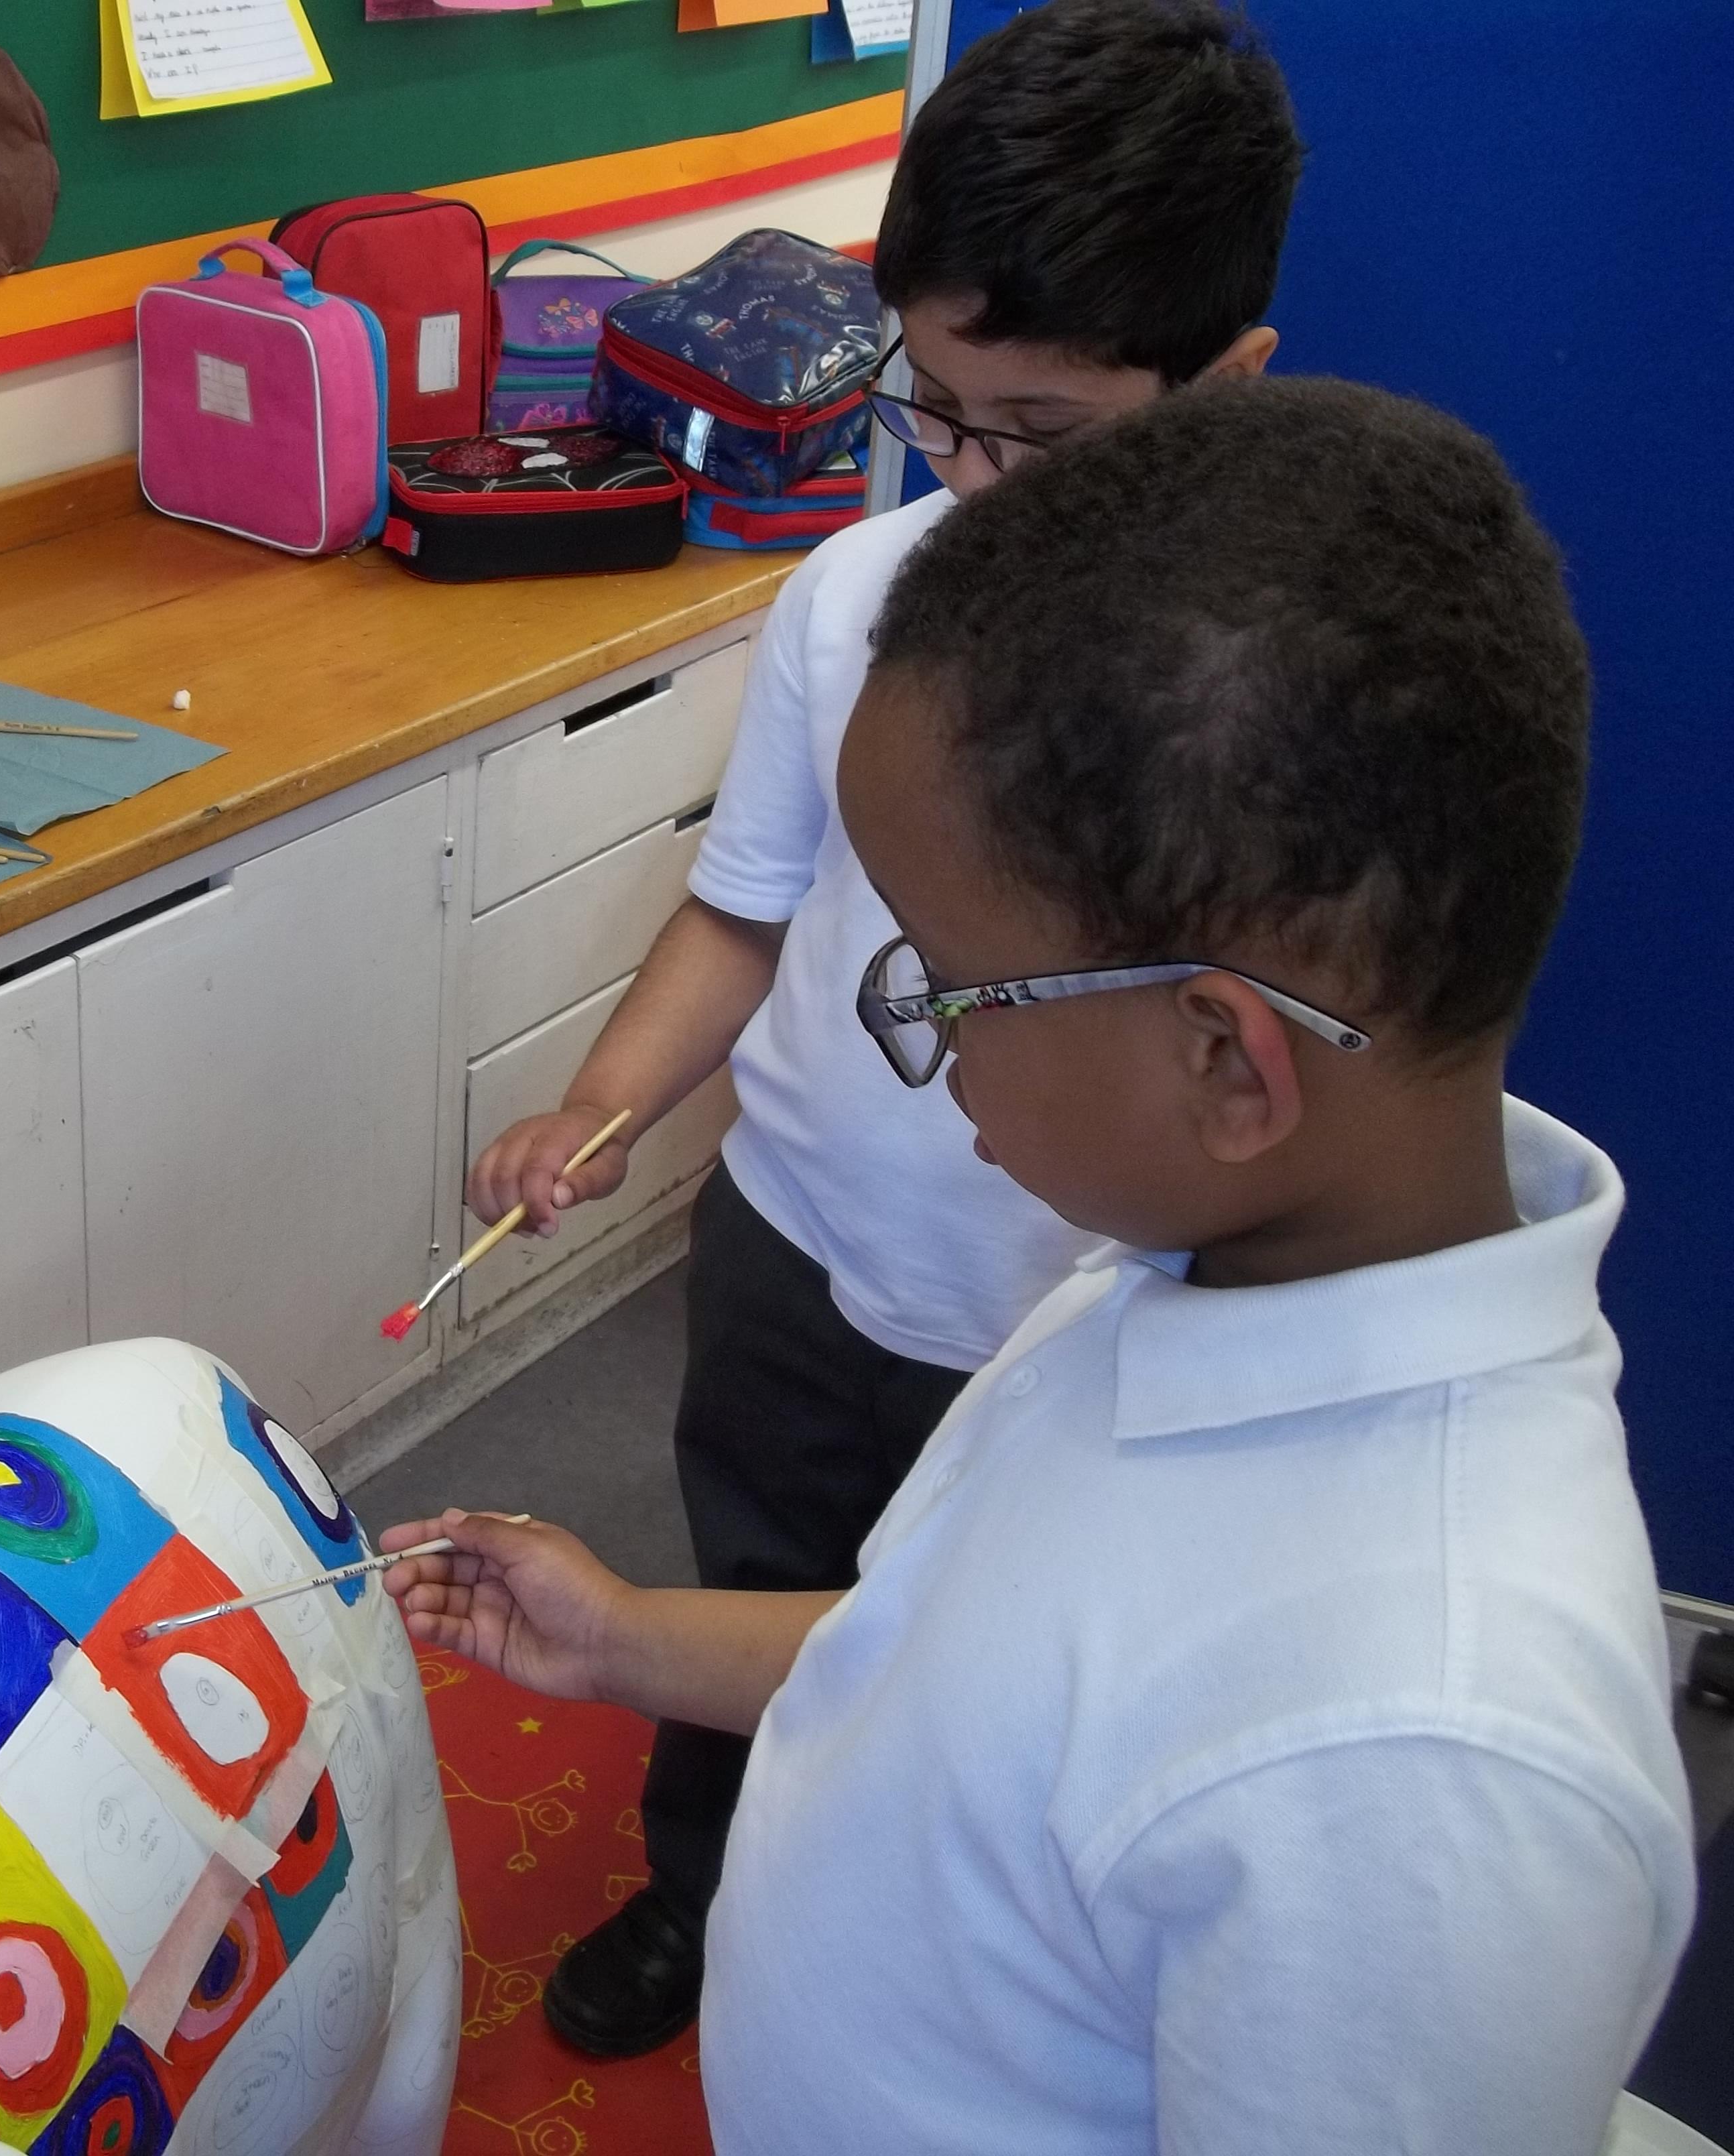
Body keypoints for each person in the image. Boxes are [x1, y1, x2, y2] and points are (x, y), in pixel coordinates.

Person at [389, 378, 1696, 2153]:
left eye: (945, 986)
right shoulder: (1179, 1268)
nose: (913, 1038)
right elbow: (964, 1661)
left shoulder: (1422, 1778)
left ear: (1229, 1062)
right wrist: (630, 1640)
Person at [464, 0, 1308, 2054]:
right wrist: (605, 1101)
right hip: (793, 1248)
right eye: (935, 410)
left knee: (983, 1677)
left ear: (1225, 385)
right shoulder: (845, 600)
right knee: (739, 1594)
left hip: (1063, 1321)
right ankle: (704, 1892)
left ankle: (920, 1963)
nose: (975, 476)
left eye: (1046, 429)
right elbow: (744, 911)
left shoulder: (1268, 687)